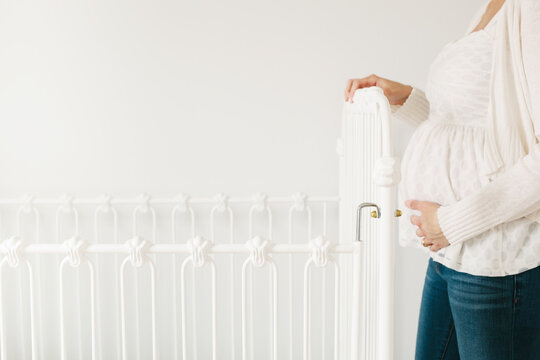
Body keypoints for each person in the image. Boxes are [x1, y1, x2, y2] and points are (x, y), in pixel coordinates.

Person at [344, 0, 540, 359]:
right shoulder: (494, 6)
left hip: (494, 259)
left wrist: (451, 222)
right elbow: (475, 128)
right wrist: (408, 98)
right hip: (451, 252)